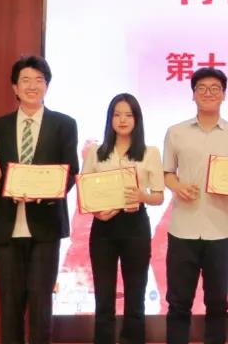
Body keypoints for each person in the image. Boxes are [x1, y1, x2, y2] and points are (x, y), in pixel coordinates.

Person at [0, 54, 80, 344]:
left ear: (47, 86)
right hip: (8, 225)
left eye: (39, 80)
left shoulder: (64, 124)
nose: (32, 86)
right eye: (25, 80)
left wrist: (44, 192)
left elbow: (70, 173)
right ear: (14, 87)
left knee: (40, 303)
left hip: (46, 224)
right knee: (10, 304)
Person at [162, 66, 228, 344]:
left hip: (220, 230)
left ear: (224, 94)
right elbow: (167, 173)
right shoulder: (176, 132)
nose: (208, 93)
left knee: (218, 304)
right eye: (201, 88)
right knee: (178, 304)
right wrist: (177, 186)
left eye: (215, 88)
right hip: (183, 229)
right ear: (193, 95)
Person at [82, 93, 165, 344]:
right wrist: (96, 211)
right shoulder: (96, 152)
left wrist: (142, 196)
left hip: (135, 225)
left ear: (137, 119)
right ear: (110, 119)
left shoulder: (149, 152)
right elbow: (85, 192)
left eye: (128, 115)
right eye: (117, 114)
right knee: (104, 298)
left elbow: (159, 196)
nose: (122, 120)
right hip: (103, 227)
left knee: (135, 296)